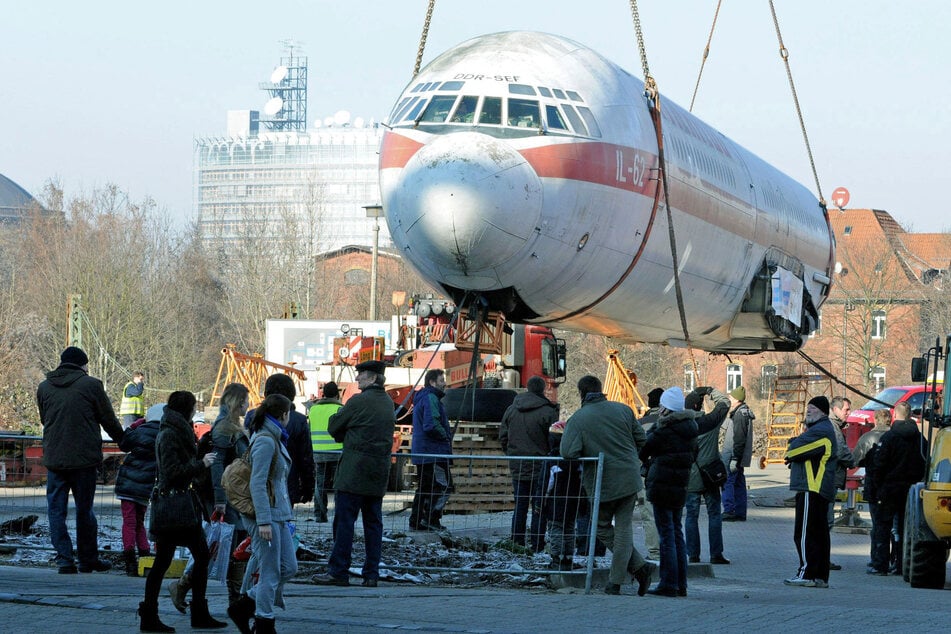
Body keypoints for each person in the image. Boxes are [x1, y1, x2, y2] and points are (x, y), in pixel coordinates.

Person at [560, 375, 655, 597]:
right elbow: (642, 439)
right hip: (629, 478)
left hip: (602, 483)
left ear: (581, 393)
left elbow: (567, 452)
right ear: (601, 389)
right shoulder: (623, 410)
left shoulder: (578, 419)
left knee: (602, 527)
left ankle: (617, 581)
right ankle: (638, 568)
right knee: (623, 529)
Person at [140, 390, 226, 632]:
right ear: (187, 409)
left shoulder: (176, 430)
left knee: (191, 557)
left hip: (180, 508)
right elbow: (172, 472)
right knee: (173, 560)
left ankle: (166, 612)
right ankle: (160, 614)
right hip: (174, 509)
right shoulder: (169, 434)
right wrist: (202, 464)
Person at [36, 346, 124, 575]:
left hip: (55, 459)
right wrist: (125, 442)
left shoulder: (44, 387)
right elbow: (108, 419)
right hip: (84, 460)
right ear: (83, 365)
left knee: (56, 511)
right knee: (85, 511)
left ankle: (64, 559)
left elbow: (46, 419)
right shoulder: (91, 385)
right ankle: (87, 559)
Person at [169, 383, 252, 616]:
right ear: (237, 402)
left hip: (234, 497)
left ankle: (231, 599)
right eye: (245, 400)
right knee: (225, 548)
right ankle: (188, 586)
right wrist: (220, 500)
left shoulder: (231, 426)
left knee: (230, 548)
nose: (248, 404)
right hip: (227, 498)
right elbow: (218, 467)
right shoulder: (225, 430)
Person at [313, 360, 395, 588]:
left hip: (353, 473)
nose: (357, 379)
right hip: (377, 474)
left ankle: (339, 571)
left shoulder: (358, 401)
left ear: (372, 378)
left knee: (344, 524)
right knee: (373, 524)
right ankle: (371, 574)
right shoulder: (388, 403)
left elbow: (334, 427)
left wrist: (344, 430)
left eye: (361, 375)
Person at [232, 394, 297, 634]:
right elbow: (257, 483)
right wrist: (263, 521)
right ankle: (264, 623)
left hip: (277, 513)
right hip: (266, 516)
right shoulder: (266, 441)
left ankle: (244, 605)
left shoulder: (275, 437)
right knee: (271, 573)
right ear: (283, 415)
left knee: (289, 567)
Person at [640, 387, 699, 597]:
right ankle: (681, 583)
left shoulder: (663, 430)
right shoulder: (690, 428)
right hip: (680, 486)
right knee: (676, 533)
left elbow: (644, 449)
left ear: (665, 408)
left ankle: (668, 583)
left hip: (663, 485)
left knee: (665, 535)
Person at [500, 375, 559, 552]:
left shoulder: (511, 409)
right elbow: (554, 441)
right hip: (541, 466)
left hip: (517, 465)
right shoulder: (548, 412)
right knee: (539, 507)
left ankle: (516, 543)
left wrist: (511, 454)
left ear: (527, 388)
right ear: (543, 389)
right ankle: (537, 545)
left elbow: (503, 436)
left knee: (520, 506)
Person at [783, 396, 836, 589]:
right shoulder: (820, 429)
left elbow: (794, 451)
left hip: (811, 488)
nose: (808, 411)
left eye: (812, 408)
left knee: (804, 533)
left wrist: (792, 446)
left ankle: (806, 572)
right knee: (819, 534)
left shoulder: (821, 431)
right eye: (808, 408)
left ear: (823, 411)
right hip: (817, 489)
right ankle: (820, 576)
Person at [867, 401, 926, 576]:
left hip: (890, 487)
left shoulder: (889, 438)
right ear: (910, 416)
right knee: (905, 528)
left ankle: (880, 564)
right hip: (911, 489)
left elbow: (880, 464)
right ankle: (901, 564)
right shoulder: (920, 439)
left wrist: (879, 484)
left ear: (894, 415)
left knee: (882, 526)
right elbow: (925, 462)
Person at [246, 374, 316, 510]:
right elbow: (305, 458)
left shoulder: (252, 416)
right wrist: (308, 487)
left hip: (255, 481)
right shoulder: (299, 420)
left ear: (266, 393)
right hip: (286, 484)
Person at [684, 387, 731, 565]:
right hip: (711, 476)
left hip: (690, 478)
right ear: (699, 405)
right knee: (714, 515)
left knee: (691, 516)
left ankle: (693, 555)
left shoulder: (681, 425)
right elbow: (725, 403)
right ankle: (716, 554)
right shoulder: (710, 421)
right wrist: (710, 391)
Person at [114, 404, 163, 576]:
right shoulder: (163, 435)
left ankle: (129, 560)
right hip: (146, 486)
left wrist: (135, 424)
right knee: (140, 521)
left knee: (128, 522)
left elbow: (124, 443)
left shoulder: (139, 431)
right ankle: (144, 554)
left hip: (128, 483)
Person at [409, 369, 452, 531]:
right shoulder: (431, 397)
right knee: (444, 486)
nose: (444, 383)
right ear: (432, 382)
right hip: (433, 452)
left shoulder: (423, 398)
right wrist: (446, 437)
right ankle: (430, 519)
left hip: (425, 451)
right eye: (442, 380)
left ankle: (417, 520)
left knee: (426, 486)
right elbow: (431, 425)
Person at [852, 408, 891, 575]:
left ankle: (878, 561)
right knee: (896, 527)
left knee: (878, 525)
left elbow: (855, 460)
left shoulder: (867, 438)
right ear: (890, 420)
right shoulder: (896, 437)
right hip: (896, 486)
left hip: (875, 486)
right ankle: (896, 561)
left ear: (875, 420)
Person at [544, 420, 583, 571]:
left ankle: (557, 558)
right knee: (569, 529)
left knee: (556, 529)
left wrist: (542, 501)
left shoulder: (553, 459)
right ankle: (568, 557)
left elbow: (548, 484)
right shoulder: (576, 460)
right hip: (573, 501)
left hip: (556, 502)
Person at [635, 387, 665, 561]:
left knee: (648, 514)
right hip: (667, 475)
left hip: (645, 475)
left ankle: (654, 552)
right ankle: (669, 549)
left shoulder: (640, 423)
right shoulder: (671, 422)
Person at [308, 381, 344, 523]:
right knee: (338, 485)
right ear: (337, 394)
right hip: (337, 451)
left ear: (323, 394)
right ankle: (339, 515)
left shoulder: (313, 409)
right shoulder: (340, 409)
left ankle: (320, 515)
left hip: (318, 452)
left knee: (320, 485)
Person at [721, 386, 754, 522]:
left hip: (733, 456)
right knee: (739, 483)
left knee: (727, 482)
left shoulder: (740, 415)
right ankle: (740, 512)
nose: (730, 398)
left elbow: (739, 438)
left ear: (737, 399)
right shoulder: (743, 412)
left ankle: (729, 510)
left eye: (731, 397)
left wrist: (735, 458)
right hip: (738, 456)